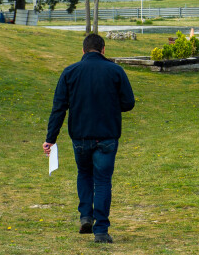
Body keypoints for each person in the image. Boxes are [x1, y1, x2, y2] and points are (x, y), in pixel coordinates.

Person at [43, 33, 135, 244]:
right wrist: (111, 104)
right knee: (102, 181)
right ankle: (101, 229)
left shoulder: (70, 72)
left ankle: (86, 215)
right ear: (103, 50)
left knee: (84, 173)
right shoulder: (115, 71)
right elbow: (128, 103)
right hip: (107, 136)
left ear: (83, 50)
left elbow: (59, 108)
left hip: (81, 136)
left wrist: (51, 138)